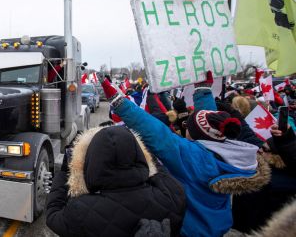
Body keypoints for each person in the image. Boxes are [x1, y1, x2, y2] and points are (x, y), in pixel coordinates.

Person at [101, 73, 271, 237]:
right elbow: (208, 119)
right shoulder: (227, 152)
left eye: (189, 127)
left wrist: (120, 103)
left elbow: (154, 131)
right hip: (216, 227)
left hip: (188, 229)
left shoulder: (192, 157)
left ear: (196, 134)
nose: (186, 128)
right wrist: (203, 90)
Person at [46, 126, 186, 237]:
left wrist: (66, 170)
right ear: (139, 154)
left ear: (92, 161)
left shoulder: (80, 210)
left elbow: (53, 214)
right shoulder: (172, 195)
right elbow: (158, 170)